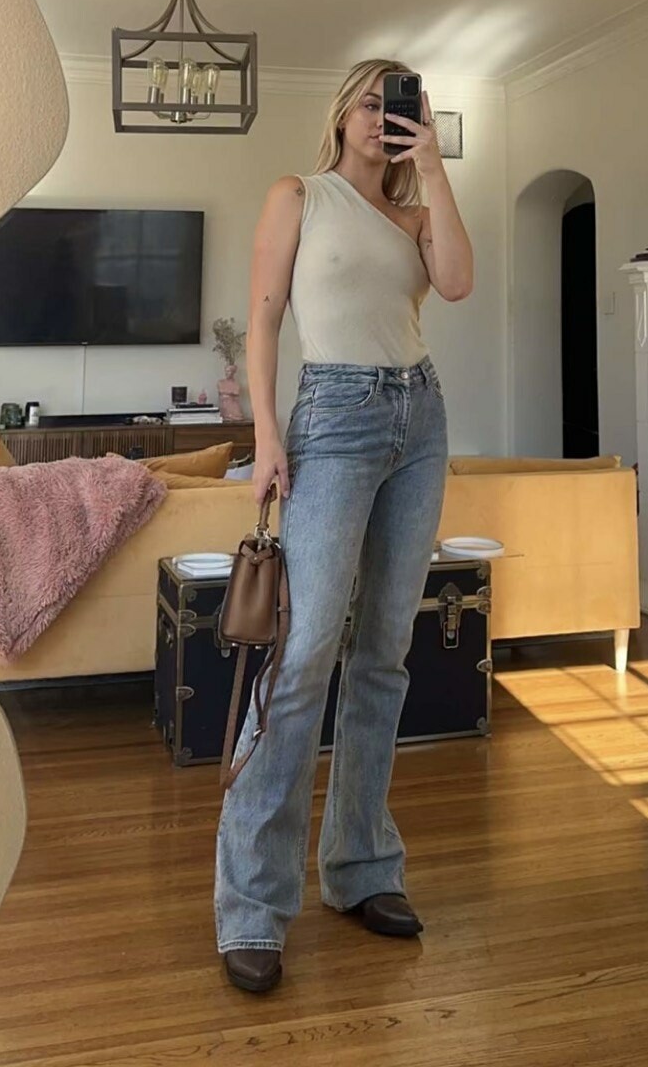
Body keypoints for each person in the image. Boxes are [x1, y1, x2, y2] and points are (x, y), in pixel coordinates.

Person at [214, 58, 474, 993]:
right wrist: (266, 434)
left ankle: (361, 866)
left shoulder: (416, 213)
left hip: (419, 420)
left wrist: (433, 165)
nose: (379, 117)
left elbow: (458, 284)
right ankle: (253, 904)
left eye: (396, 106)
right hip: (332, 416)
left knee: (384, 653)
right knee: (302, 654)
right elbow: (263, 319)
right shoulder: (299, 195)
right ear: (341, 112)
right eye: (368, 101)